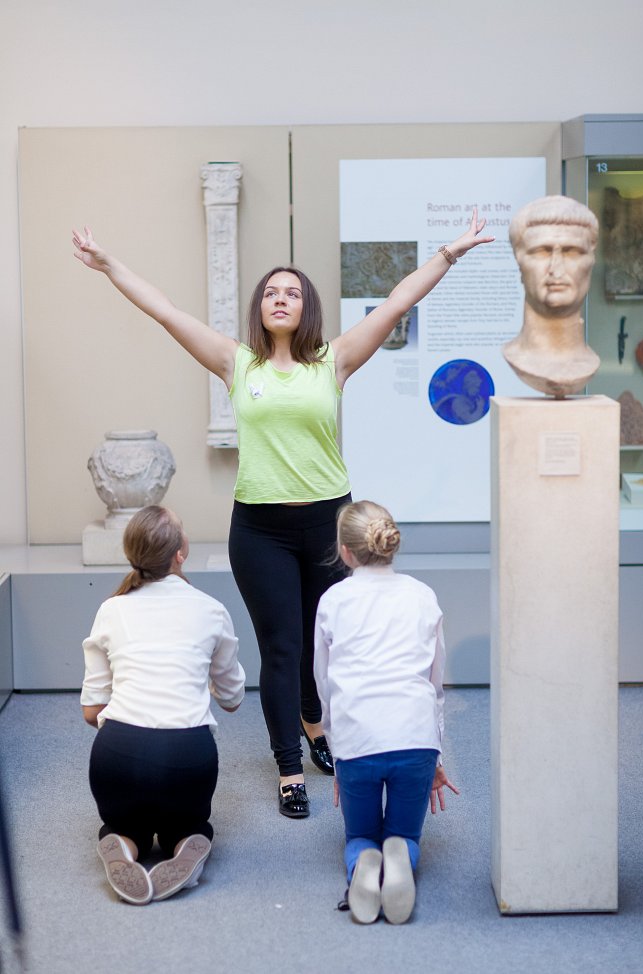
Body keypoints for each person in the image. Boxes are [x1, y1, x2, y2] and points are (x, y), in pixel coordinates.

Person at [73, 211, 493, 818]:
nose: (280, 298)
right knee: (280, 644)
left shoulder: (336, 361)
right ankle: (289, 765)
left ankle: (315, 722)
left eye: (292, 292)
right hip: (260, 528)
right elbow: (165, 311)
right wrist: (110, 265)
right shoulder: (236, 363)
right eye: (271, 291)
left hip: (328, 524)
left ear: (307, 309)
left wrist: (449, 253)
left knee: (322, 636)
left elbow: (397, 303)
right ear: (259, 307)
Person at [81, 505, 245, 905]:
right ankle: (187, 841)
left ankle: (123, 842)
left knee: (123, 825)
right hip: (187, 757)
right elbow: (233, 700)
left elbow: (90, 712)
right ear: (179, 553)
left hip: (116, 755)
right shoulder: (210, 609)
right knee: (188, 825)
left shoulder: (111, 609)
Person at [313, 500, 459, 924]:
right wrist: (436, 756)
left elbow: (325, 687)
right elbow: (435, 686)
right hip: (415, 740)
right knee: (405, 834)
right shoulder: (423, 595)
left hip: (358, 742)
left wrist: (339, 754)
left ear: (345, 551)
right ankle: (401, 858)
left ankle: (363, 863)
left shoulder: (333, 600)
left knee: (360, 834)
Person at [503, 195, 600, 397]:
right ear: (519, 262)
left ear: (591, 261)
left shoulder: (592, 363)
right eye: (542, 252)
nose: (556, 270)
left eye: (572, 252)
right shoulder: (516, 358)